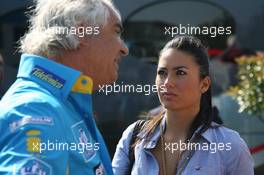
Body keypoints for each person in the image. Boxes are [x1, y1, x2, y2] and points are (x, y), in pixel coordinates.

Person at [0, 0, 128, 174]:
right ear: (81, 31)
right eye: (116, 32)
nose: (124, 49)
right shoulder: (37, 109)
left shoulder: (58, 104)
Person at [112, 36, 254, 175]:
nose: (167, 82)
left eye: (180, 73)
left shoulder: (230, 145)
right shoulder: (134, 135)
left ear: (204, 84)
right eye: (162, 73)